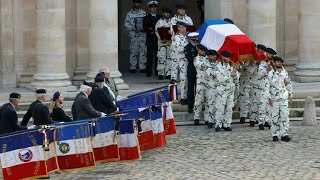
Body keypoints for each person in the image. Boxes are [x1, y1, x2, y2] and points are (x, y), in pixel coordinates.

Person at [239, 44, 267, 124]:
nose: (261, 51)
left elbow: (261, 73)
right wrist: (249, 62)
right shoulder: (248, 57)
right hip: (245, 81)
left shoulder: (263, 61)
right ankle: (243, 116)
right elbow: (242, 67)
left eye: (262, 50)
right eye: (260, 49)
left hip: (255, 83)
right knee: (244, 99)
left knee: (254, 100)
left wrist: (258, 63)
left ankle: (252, 118)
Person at [268, 56, 292, 142]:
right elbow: (267, 87)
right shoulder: (270, 74)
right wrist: (268, 98)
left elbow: (289, 84)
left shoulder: (285, 73)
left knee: (285, 116)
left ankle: (284, 134)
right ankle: (275, 134)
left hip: (283, 97)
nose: (279, 63)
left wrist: (290, 95)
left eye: (280, 62)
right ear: (274, 63)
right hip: (274, 98)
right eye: (277, 62)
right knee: (275, 117)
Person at [214, 51, 239, 132]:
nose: (228, 59)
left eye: (229, 57)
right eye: (226, 57)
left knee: (229, 108)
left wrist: (235, 74)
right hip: (221, 91)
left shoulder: (231, 66)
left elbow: (236, 77)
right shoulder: (217, 67)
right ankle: (218, 124)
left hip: (230, 90)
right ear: (222, 57)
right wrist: (229, 75)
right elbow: (219, 79)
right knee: (220, 108)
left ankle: (227, 124)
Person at [256, 47, 276, 130]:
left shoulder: (274, 63)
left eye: (272, 55)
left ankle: (267, 121)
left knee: (270, 105)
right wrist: (266, 70)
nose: (271, 56)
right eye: (270, 54)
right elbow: (259, 74)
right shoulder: (262, 63)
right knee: (263, 104)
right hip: (263, 86)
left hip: (271, 87)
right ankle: (261, 122)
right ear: (267, 54)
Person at [124, 0, 147, 73]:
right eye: (136, 3)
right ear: (134, 3)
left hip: (142, 35)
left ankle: (142, 67)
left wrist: (144, 28)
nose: (138, 4)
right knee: (133, 51)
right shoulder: (129, 14)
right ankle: (133, 67)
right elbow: (126, 24)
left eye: (139, 3)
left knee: (143, 51)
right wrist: (133, 28)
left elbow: (146, 23)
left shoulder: (143, 13)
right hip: (134, 35)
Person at [170, 21, 188, 105]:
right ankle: (177, 97)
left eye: (184, 27)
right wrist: (188, 47)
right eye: (181, 27)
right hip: (178, 61)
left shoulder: (188, 37)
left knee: (185, 79)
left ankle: (186, 97)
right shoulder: (176, 37)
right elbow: (179, 49)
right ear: (178, 28)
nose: (183, 29)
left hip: (186, 61)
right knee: (177, 79)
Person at [250, 44, 267, 127]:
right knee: (255, 103)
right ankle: (252, 119)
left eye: (262, 51)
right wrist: (257, 64)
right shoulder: (252, 61)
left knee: (263, 104)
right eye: (259, 51)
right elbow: (254, 73)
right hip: (255, 85)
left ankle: (262, 121)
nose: (261, 52)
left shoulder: (265, 62)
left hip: (264, 86)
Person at [144, 1, 161, 77]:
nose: (153, 9)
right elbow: (145, 27)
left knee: (158, 56)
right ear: (149, 9)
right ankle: (149, 72)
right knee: (149, 56)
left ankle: (157, 71)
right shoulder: (146, 17)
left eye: (155, 8)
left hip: (158, 39)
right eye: (152, 8)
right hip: (150, 38)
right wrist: (150, 30)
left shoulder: (159, 17)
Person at [193, 44, 208, 125]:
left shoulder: (209, 59)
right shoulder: (197, 59)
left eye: (200, 50)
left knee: (208, 101)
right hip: (200, 82)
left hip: (208, 83)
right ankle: (196, 117)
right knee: (198, 101)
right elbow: (200, 66)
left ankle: (207, 118)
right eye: (199, 50)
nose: (199, 51)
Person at [155, 8, 172, 80]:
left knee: (169, 58)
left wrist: (170, 35)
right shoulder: (159, 22)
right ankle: (161, 73)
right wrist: (162, 38)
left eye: (168, 13)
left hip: (170, 43)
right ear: (163, 14)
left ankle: (169, 73)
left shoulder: (173, 21)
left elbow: (174, 31)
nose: (167, 14)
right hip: (161, 43)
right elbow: (156, 31)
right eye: (166, 13)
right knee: (161, 57)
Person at [184, 32, 199, 111]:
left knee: (198, 88)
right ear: (190, 39)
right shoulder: (187, 47)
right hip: (191, 69)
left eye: (195, 39)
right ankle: (190, 105)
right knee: (190, 88)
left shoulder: (200, 47)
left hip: (199, 70)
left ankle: (197, 105)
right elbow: (189, 58)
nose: (194, 40)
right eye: (193, 39)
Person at [206, 50, 219, 127]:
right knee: (211, 104)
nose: (215, 57)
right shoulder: (207, 64)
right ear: (209, 56)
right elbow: (210, 74)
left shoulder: (218, 63)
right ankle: (210, 121)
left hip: (218, 87)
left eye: (215, 55)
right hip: (211, 87)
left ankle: (217, 121)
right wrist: (219, 73)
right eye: (213, 55)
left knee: (218, 104)